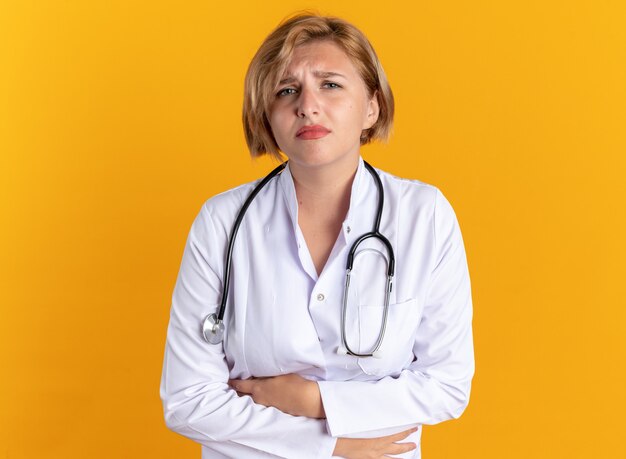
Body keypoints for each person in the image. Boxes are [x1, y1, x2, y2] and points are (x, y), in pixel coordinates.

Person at [160, 13, 474, 459]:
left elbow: (445, 386)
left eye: (330, 84)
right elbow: (189, 401)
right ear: (266, 117)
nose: (307, 105)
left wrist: (307, 400)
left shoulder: (424, 217)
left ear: (372, 106)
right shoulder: (222, 223)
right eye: (286, 90)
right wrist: (332, 443)